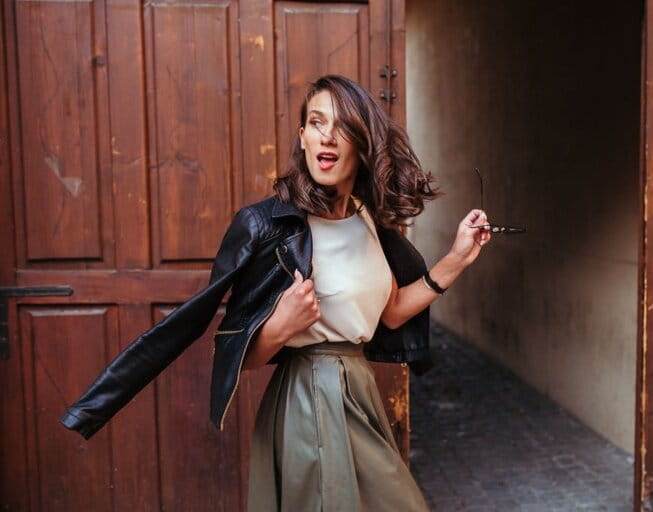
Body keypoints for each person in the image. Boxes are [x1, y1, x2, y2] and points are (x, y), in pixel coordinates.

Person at [59, 74, 491, 511]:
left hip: (357, 390)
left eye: (342, 126)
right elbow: (235, 355)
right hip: (308, 394)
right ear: (302, 137)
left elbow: (393, 312)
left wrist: (455, 258)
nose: (327, 136)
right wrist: (281, 325)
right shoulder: (269, 226)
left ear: (362, 142)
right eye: (317, 123)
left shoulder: (367, 219)